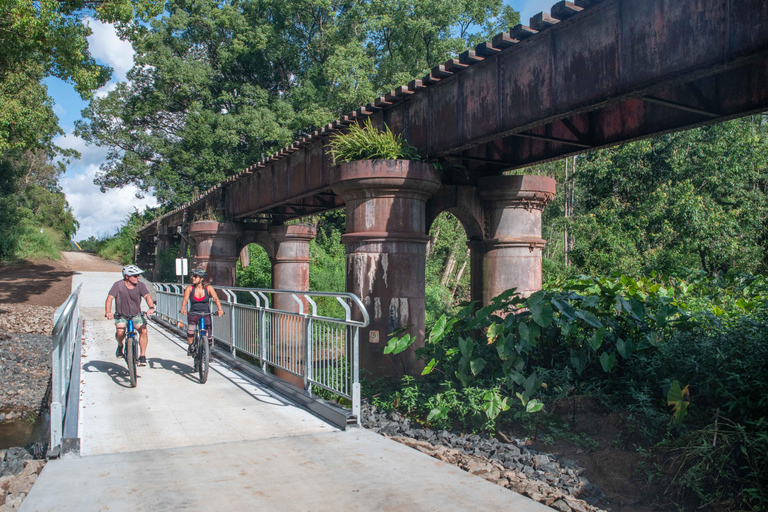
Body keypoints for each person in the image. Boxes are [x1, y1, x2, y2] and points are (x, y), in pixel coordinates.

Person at [105, 265, 155, 366]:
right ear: (127, 276)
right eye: (135, 276)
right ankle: (120, 345)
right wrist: (108, 311)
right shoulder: (118, 285)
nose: (138, 277)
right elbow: (110, 298)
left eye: (138, 275)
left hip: (135, 315)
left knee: (143, 330)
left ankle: (142, 356)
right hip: (121, 315)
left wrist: (151, 308)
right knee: (120, 331)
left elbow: (147, 296)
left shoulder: (140, 286)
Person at [179, 268, 223, 357]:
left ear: (201, 278)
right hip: (194, 313)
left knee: (209, 338)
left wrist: (220, 309)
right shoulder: (190, 288)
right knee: (191, 330)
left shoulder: (208, 288)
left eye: (195, 276)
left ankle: (207, 352)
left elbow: (215, 298)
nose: (193, 278)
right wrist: (183, 308)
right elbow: (185, 299)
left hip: (206, 314)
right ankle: (191, 346)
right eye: (192, 276)